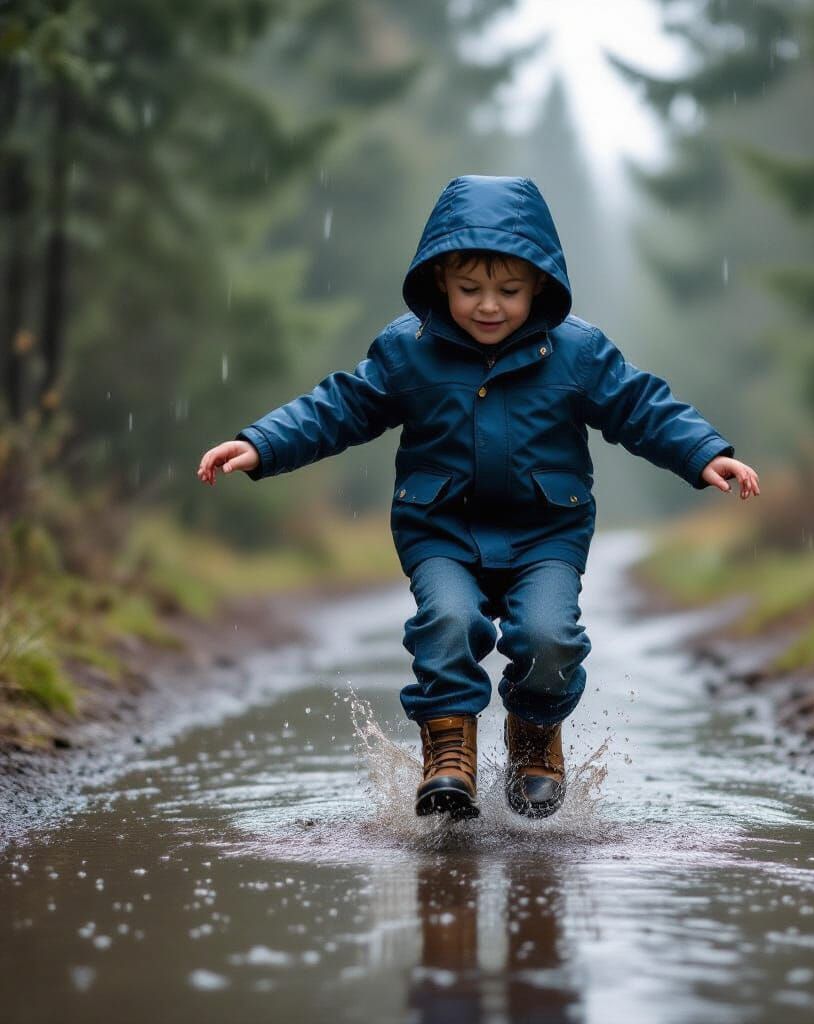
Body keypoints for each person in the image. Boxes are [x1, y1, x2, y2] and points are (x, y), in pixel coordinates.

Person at [196, 175, 760, 822]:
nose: (488, 306)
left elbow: (639, 406)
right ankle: (448, 752)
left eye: (509, 291)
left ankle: (533, 736)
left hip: (545, 534)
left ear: (541, 285)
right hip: (441, 530)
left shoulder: (576, 353)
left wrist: (702, 451)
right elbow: (340, 408)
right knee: (448, 623)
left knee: (549, 637)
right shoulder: (409, 351)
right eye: (469, 289)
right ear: (439, 281)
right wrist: (263, 444)